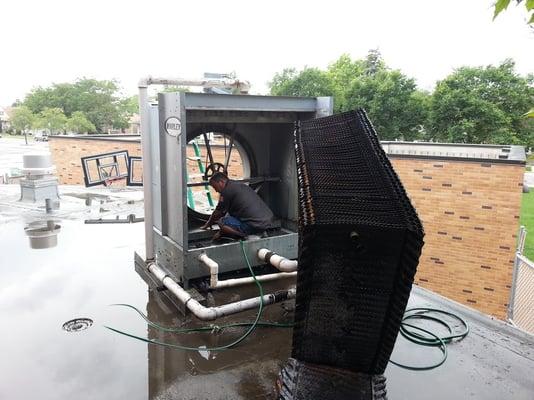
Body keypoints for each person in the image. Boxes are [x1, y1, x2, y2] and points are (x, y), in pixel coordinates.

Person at [200, 172, 275, 240]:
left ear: (221, 182)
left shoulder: (226, 191)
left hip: (255, 224)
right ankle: (260, 231)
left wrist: (208, 224)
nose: (216, 190)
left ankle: (244, 235)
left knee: (222, 222)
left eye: (215, 187)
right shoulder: (237, 185)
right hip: (267, 221)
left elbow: (218, 213)